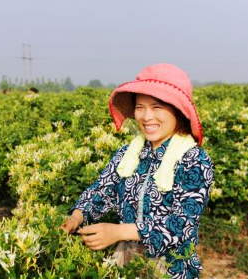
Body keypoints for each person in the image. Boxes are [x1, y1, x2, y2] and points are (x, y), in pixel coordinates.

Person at [60, 63, 214, 279]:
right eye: (140, 107)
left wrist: (118, 231)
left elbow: (181, 226)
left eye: (157, 107)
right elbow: (104, 190)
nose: (146, 116)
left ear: (178, 111)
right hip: (127, 260)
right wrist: (77, 215)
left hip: (171, 268)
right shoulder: (128, 153)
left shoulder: (194, 160)